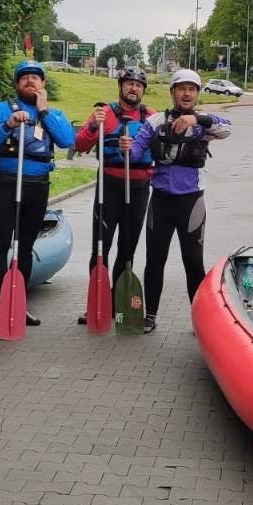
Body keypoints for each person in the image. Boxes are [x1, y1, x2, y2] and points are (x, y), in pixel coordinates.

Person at [0, 61, 75, 331]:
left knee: (26, 246)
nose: (30, 81)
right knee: (0, 244)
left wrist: (44, 111)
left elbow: (66, 140)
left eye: (35, 77)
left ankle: (18, 304)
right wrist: (8, 124)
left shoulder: (53, 113)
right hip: (6, 184)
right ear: (17, 84)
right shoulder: (1, 109)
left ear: (43, 84)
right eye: (25, 77)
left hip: (37, 186)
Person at [129, 69, 232, 332]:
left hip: (191, 203)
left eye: (192, 89)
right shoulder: (155, 121)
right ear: (172, 92)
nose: (186, 94)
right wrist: (125, 148)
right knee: (155, 260)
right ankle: (150, 315)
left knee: (193, 263)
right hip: (160, 202)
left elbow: (227, 129)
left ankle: (201, 321)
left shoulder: (202, 124)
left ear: (197, 94)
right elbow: (135, 152)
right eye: (181, 88)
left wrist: (196, 118)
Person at [73, 65, 156, 324]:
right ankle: (97, 301)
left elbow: (161, 151)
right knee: (101, 248)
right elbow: (80, 145)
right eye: (129, 83)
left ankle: (118, 301)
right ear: (120, 86)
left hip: (139, 189)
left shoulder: (151, 117)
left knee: (127, 250)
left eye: (139, 85)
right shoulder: (104, 113)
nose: (134, 88)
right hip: (109, 187)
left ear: (143, 90)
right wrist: (92, 126)